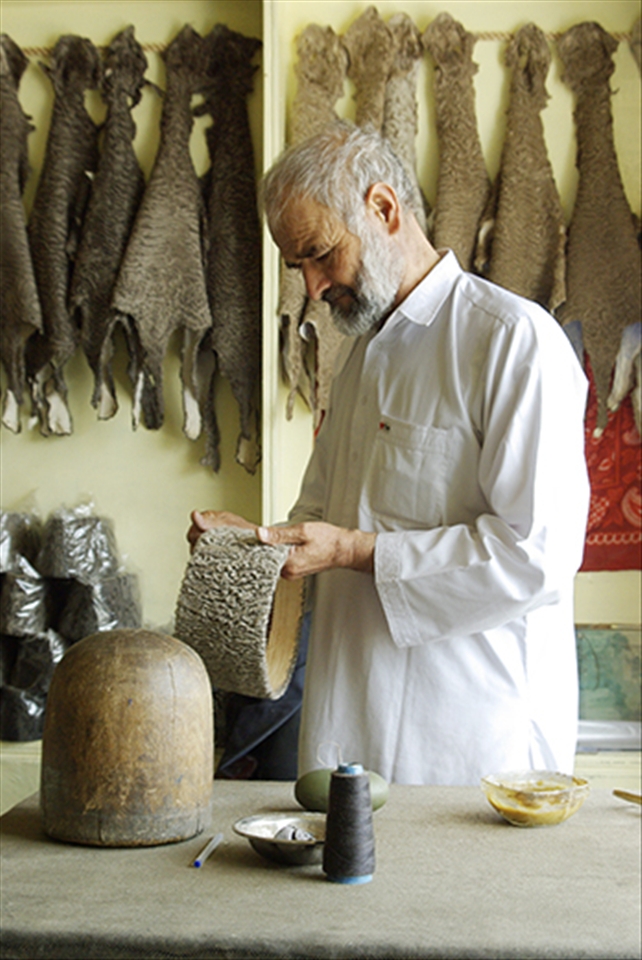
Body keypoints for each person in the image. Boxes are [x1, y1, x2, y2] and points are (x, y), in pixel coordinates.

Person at [188, 120, 590, 785]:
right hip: (349, 721)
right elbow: (322, 516)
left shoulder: (513, 341)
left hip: (469, 740)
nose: (313, 288)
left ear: (383, 208)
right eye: (299, 267)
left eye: (320, 254)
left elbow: (536, 555)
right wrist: (252, 545)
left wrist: (355, 551)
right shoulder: (362, 354)